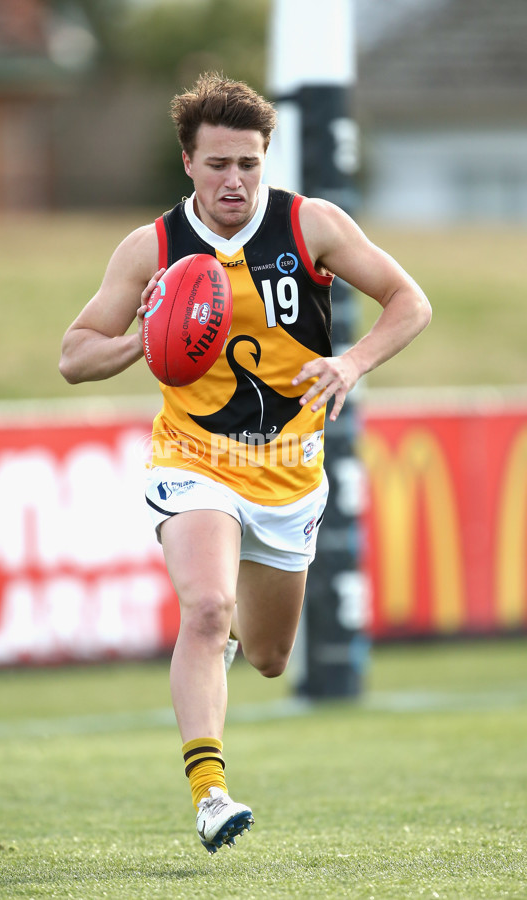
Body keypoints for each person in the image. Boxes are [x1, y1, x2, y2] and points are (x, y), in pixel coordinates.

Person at [59, 72, 431, 853]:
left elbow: (410, 302)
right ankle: (209, 793)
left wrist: (354, 362)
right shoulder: (152, 247)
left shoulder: (311, 225)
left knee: (265, 657)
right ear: (187, 163)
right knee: (204, 609)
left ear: (267, 159)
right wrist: (144, 337)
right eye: (219, 163)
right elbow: (74, 356)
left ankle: (220, 643)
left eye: (249, 163)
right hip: (195, 458)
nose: (236, 181)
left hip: (290, 474)